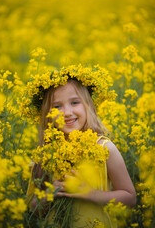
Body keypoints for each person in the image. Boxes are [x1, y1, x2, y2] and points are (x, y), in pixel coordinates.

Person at [25, 66, 136, 228]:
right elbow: (34, 208)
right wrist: (51, 193)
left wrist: (90, 194)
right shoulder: (46, 153)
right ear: (47, 113)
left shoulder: (105, 148)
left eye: (75, 102)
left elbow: (130, 198)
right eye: (57, 106)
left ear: (88, 105)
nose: (67, 112)